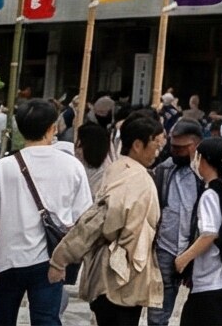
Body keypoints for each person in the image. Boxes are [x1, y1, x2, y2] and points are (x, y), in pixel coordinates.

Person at [0, 98, 93, 326]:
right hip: (51, 259)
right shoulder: (72, 166)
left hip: (7, 259)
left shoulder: (3, 167)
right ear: (53, 128)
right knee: (47, 319)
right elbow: (83, 218)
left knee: (2, 319)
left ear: (20, 129)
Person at [49, 110, 163, 326]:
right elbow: (96, 220)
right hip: (116, 274)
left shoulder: (125, 171)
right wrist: (61, 258)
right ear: (138, 145)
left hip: (125, 272)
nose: (157, 151)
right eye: (155, 145)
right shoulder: (131, 176)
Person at [170, 142, 222, 326]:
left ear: (203, 160)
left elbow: (209, 233)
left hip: (211, 281)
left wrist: (183, 259)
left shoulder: (210, 194)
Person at [147, 122, 202, 326]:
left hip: (197, 250)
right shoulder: (163, 171)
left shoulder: (204, 174)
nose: (175, 152)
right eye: (173, 147)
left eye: (182, 148)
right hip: (166, 248)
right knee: (158, 313)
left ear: (196, 145)